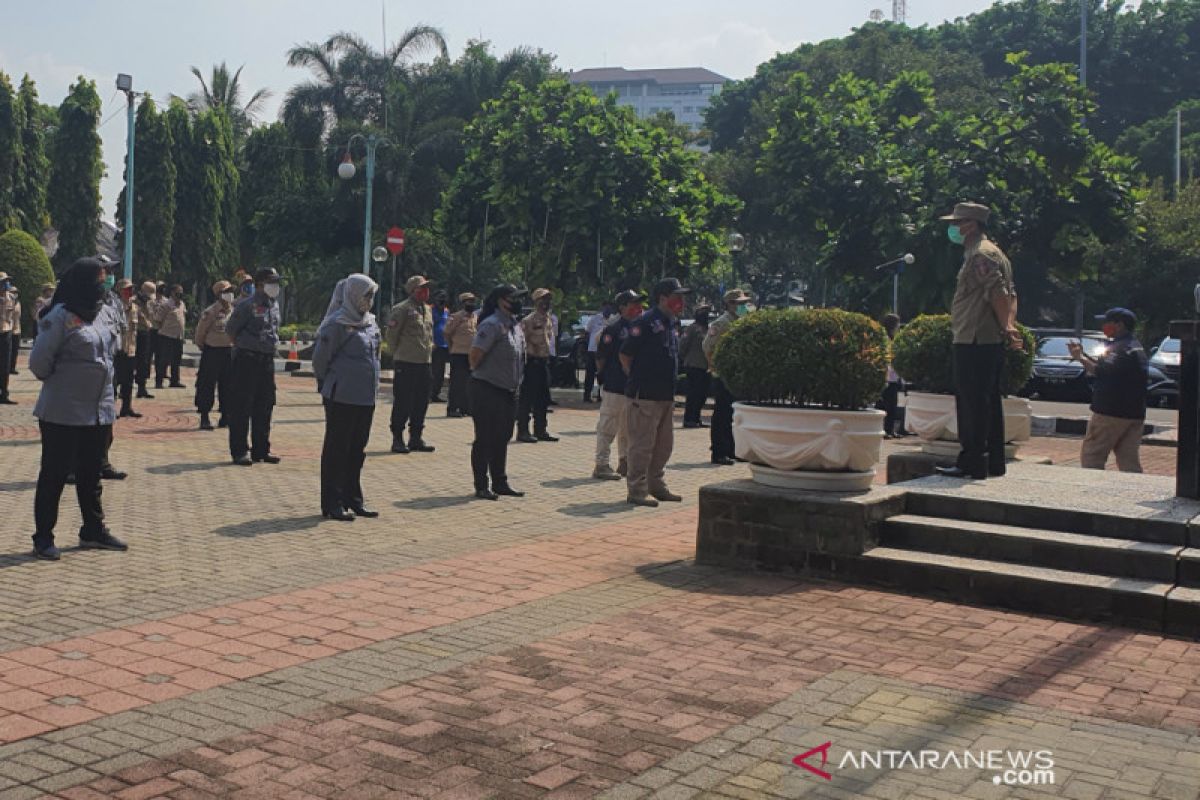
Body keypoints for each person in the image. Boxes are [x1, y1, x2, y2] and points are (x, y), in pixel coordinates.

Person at [28, 258, 129, 560]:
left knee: (91, 473)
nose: (104, 283)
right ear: (83, 281)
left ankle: (93, 531)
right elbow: (38, 364)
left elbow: (113, 353)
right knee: (55, 474)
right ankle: (43, 537)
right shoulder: (59, 316)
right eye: (99, 278)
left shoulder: (107, 312)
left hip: (99, 409)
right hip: (63, 410)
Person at [935, 202, 1021, 481]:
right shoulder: (993, 253)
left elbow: (998, 292)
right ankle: (992, 462)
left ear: (971, 225)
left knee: (972, 403)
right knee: (988, 403)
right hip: (984, 339)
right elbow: (1011, 294)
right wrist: (1008, 325)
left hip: (974, 338)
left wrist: (1007, 325)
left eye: (958, 223)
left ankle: (972, 462)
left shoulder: (981, 254)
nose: (954, 229)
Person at [312, 274, 382, 521]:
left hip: (366, 397)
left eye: (372, 295)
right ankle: (332, 502)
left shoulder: (371, 323)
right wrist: (330, 383)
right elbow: (320, 361)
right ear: (353, 295)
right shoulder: (336, 324)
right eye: (366, 295)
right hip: (342, 396)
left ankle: (354, 499)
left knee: (356, 449)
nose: (369, 300)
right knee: (337, 449)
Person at [621, 278, 690, 506]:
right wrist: (638, 379)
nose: (681, 301)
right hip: (644, 395)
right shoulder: (646, 322)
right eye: (676, 296)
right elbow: (625, 355)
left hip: (665, 395)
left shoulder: (671, 323)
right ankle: (637, 491)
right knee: (642, 445)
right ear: (662, 298)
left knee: (663, 446)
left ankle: (656, 486)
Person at [1070, 308, 1147, 473]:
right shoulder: (1135, 346)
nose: (1104, 326)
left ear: (1119, 325)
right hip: (1134, 414)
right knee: (1129, 461)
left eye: (1107, 323)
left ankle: (1094, 492)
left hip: (1110, 413)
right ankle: (1133, 491)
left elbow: (1101, 372)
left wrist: (1079, 358)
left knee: (1092, 456)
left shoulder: (1119, 349)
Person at [469, 285, 527, 500]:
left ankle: (500, 482)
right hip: (487, 389)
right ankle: (481, 485)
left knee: (502, 437)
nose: (518, 302)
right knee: (485, 438)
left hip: (509, 391)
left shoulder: (515, 325)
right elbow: (475, 356)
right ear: (501, 300)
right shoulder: (491, 324)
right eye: (513, 298)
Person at [226, 267, 282, 466]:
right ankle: (240, 451)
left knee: (265, 405)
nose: (275, 286)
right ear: (259, 284)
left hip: (266, 361)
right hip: (246, 360)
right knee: (242, 406)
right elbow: (231, 330)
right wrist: (245, 347)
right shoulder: (246, 305)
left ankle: (261, 450)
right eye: (271, 282)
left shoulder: (274, 305)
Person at [592, 290, 644, 480]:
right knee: (608, 425)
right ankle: (602, 464)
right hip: (615, 385)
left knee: (628, 427)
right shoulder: (613, 329)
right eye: (633, 303)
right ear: (622, 307)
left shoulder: (639, 327)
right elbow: (601, 358)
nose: (638, 307)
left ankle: (625, 462)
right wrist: (604, 377)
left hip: (632, 387)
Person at [386, 275, 436, 454]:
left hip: (424, 362)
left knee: (422, 401)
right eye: (421, 289)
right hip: (406, 362)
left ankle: (416, 437)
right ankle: (397, 438)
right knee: (403, 401)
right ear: (412, 290)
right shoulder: (402, 309)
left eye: (427, 289)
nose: (426, 292)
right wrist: (397, 355)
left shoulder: (428, 310)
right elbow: (392, 335)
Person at [704, 288, 751, 466]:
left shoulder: (741, 322)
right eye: (739, 303)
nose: (743, 306)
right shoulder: (722, 323)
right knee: (722, 414)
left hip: (736, 374)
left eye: (744, 303)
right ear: (729, 304)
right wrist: (715, 366)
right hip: (723, 374)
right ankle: (719, 452)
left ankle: (732, 450)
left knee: (734, 414)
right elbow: (707, 346)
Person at [516, 288, 558, 443]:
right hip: (531, 362)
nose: (546, 303)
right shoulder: (528, 320)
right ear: (535, 302)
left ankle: (541, 430)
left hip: (544, 362)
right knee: (527, 399)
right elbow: (521, 342)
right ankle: (523, 431)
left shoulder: (549, 320)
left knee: (543, 398)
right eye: (542, 300)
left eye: (548, 300)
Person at [194, 280, 236, 430]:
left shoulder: (234, 310)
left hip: (229, 352)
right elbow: (200, 333)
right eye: (226, 292)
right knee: (207, 385)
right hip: (212, 351)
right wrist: (204, 347)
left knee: (228, 386)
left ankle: (226, 416)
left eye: (231, 291)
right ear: (218, 295)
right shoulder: (210, 311)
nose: (230, 294)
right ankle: (204, 417)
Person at [444, 292, 477, 418]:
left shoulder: (475, 317)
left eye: (472, 301)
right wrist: (451, 347)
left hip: (471, 355)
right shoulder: (455, 317)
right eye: (468, 301)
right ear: (463, 303)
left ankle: (466, 407)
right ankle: (452, 408)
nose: (471, 304)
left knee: (469, 383)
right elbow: (447, 333)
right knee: (457, 383)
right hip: (458, 354)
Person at [679, 305, 711, 428]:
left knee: (702, 395)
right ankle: (688, 419)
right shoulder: (691, 328)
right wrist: (684, 359)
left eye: (706, 313)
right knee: (693, 394)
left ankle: (696, 418)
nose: (705, 315)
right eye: (703, 312)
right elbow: (683, 345)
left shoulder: (708, 329)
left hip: (705, 366)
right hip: (693, 365)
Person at [113, 279, 141, 418]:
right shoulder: (114, 307)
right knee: (114, 380)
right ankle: (111, 408)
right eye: (126, 289)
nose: (129, 292)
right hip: (118, 349)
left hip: (130, 348)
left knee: (129, 381)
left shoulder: (134, 307)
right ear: (119, 291)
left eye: (131, 289)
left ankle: (126, 407)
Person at [152, 284, 186, 389]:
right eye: (177, 293)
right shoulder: (166, 305)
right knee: (164, 360)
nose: (179, 295)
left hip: (178, 337)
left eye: (181, 293)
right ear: (172, 293)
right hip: (166, 336)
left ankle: (175, 381)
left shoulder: (182, 304)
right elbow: (158, 319)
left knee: (176, 360)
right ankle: (159, 382)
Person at [879, 313, 904, 438]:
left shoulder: (894, 340)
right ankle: (884, 430)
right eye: (897, 324)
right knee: (885, 405)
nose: (899, 327)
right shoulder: (884, 340)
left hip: (893, 377)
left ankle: (890, 430)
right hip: (886, 377)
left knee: (893, 405)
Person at [582, 304, 613, 402]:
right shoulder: (595, 318)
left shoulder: (612, 321)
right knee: (590, 374)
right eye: (606, 308)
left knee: (603, 375)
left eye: (610, 308)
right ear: (602, 308)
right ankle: (587, 395)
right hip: (593, 350)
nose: (607, 310)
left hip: (605, 352)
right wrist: (588, 347)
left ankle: (600, 395)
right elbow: (587, 332)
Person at [134, 282, 157, 399]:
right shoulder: (133, 301)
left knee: (144, 361)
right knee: (131, 361)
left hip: (146, 334)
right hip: (134, 334)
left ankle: (142, 388)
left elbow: (152, 318)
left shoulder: (150, 303)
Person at [429, 291, 450, 404]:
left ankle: (436, 394)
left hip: (445, 345)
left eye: (444, 299)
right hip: (434, 345)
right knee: (433, 371)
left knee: (440, 372)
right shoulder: (430, 310)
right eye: (439, 298)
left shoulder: (446, 311)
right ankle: (429, 394)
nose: (441, 301)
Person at [0, 273, 14, 404]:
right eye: (3, 282)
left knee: (5, 366)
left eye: (7, 282)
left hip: (6, 332)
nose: (5, 285)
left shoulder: (11, 298)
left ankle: (4, 394)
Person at [9, 287, 21, 374]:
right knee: (8, 351)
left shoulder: (18, 303)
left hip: (17, 329)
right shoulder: (8, 302)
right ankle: (7, 368)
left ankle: (12, 367)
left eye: (16, 292)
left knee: (15, 350)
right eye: (12, 292)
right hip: (8, 330)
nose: (14, 294)